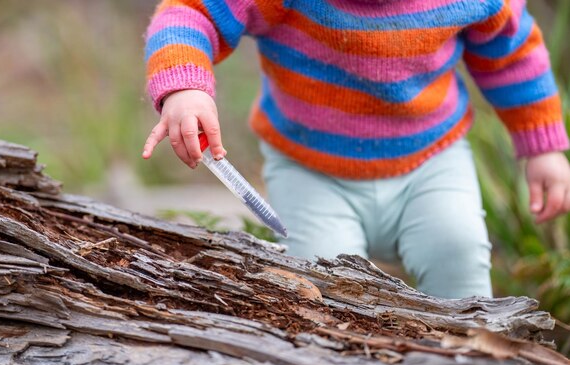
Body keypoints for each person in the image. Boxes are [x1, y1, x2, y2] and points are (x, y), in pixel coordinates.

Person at [141, 0, 570, 299]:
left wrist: (542, 145)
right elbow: (191, 12)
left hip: (430, 159)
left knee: (456, 251)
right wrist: (184, 85)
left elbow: (512, 53)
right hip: (311, 167)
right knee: (322, 285)